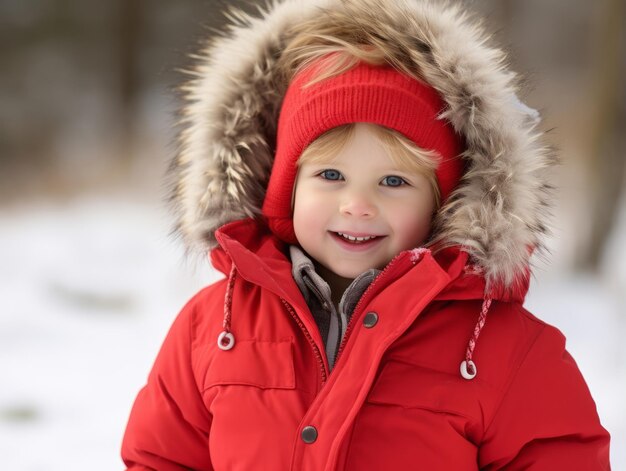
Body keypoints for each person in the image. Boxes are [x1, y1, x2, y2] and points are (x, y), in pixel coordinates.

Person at [121, 0, 611, 469]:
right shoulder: (212, 328)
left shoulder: (502, 349)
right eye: (330, 176)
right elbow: (162, 458)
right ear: (284, 190)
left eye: (394, 181)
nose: (357, 205)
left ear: (444, 203)